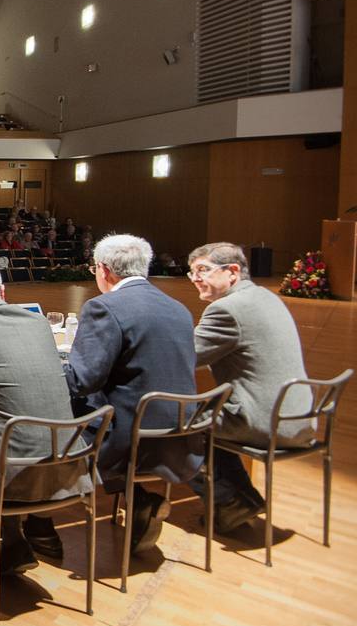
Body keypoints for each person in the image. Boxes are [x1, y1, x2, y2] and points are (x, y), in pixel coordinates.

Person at [64, 234, 197, 555]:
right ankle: (140, 501)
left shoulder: (104, 307)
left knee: (49, 415)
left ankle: (36, 527)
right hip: (181, 431)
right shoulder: (178, 307)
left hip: (128, 437)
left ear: (103, 269)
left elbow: (82, 380)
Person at [185, 242, 317, 533]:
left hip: (265, 421)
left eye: (203, 271)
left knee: (176, 423)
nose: (195, 279)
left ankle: (230, 501)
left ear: (233, 272)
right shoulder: (265, 297)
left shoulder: (226, 310)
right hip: (299, 416)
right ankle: (238, 498)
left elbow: (185, 358)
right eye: (192, 272)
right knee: (203, 414)